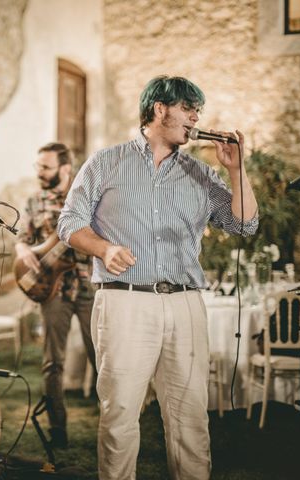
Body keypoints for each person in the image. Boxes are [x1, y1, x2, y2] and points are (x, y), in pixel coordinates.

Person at [57, 75, 258, 479]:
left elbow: (244, 226)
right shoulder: (105, 162)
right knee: (120, 416)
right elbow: (69, 223)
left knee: (190, 420)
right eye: (188, 108)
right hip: (124, 301)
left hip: (185, 303)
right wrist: (104, 248)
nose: (195, 117)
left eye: (197, 111)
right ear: (159, 108)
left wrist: (237, 172)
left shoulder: (202, 174)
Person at [14, 142, 96, 448]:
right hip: (52, 291)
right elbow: (23, 238)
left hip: (89, 286)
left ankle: (112, 425)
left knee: (102, 358)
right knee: (52, 363)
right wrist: (24, 250)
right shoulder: (35, 201)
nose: (39, 173)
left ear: (65, 168)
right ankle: (57, 429)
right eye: (38, 166)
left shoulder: (89, 197)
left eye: (45, 167)